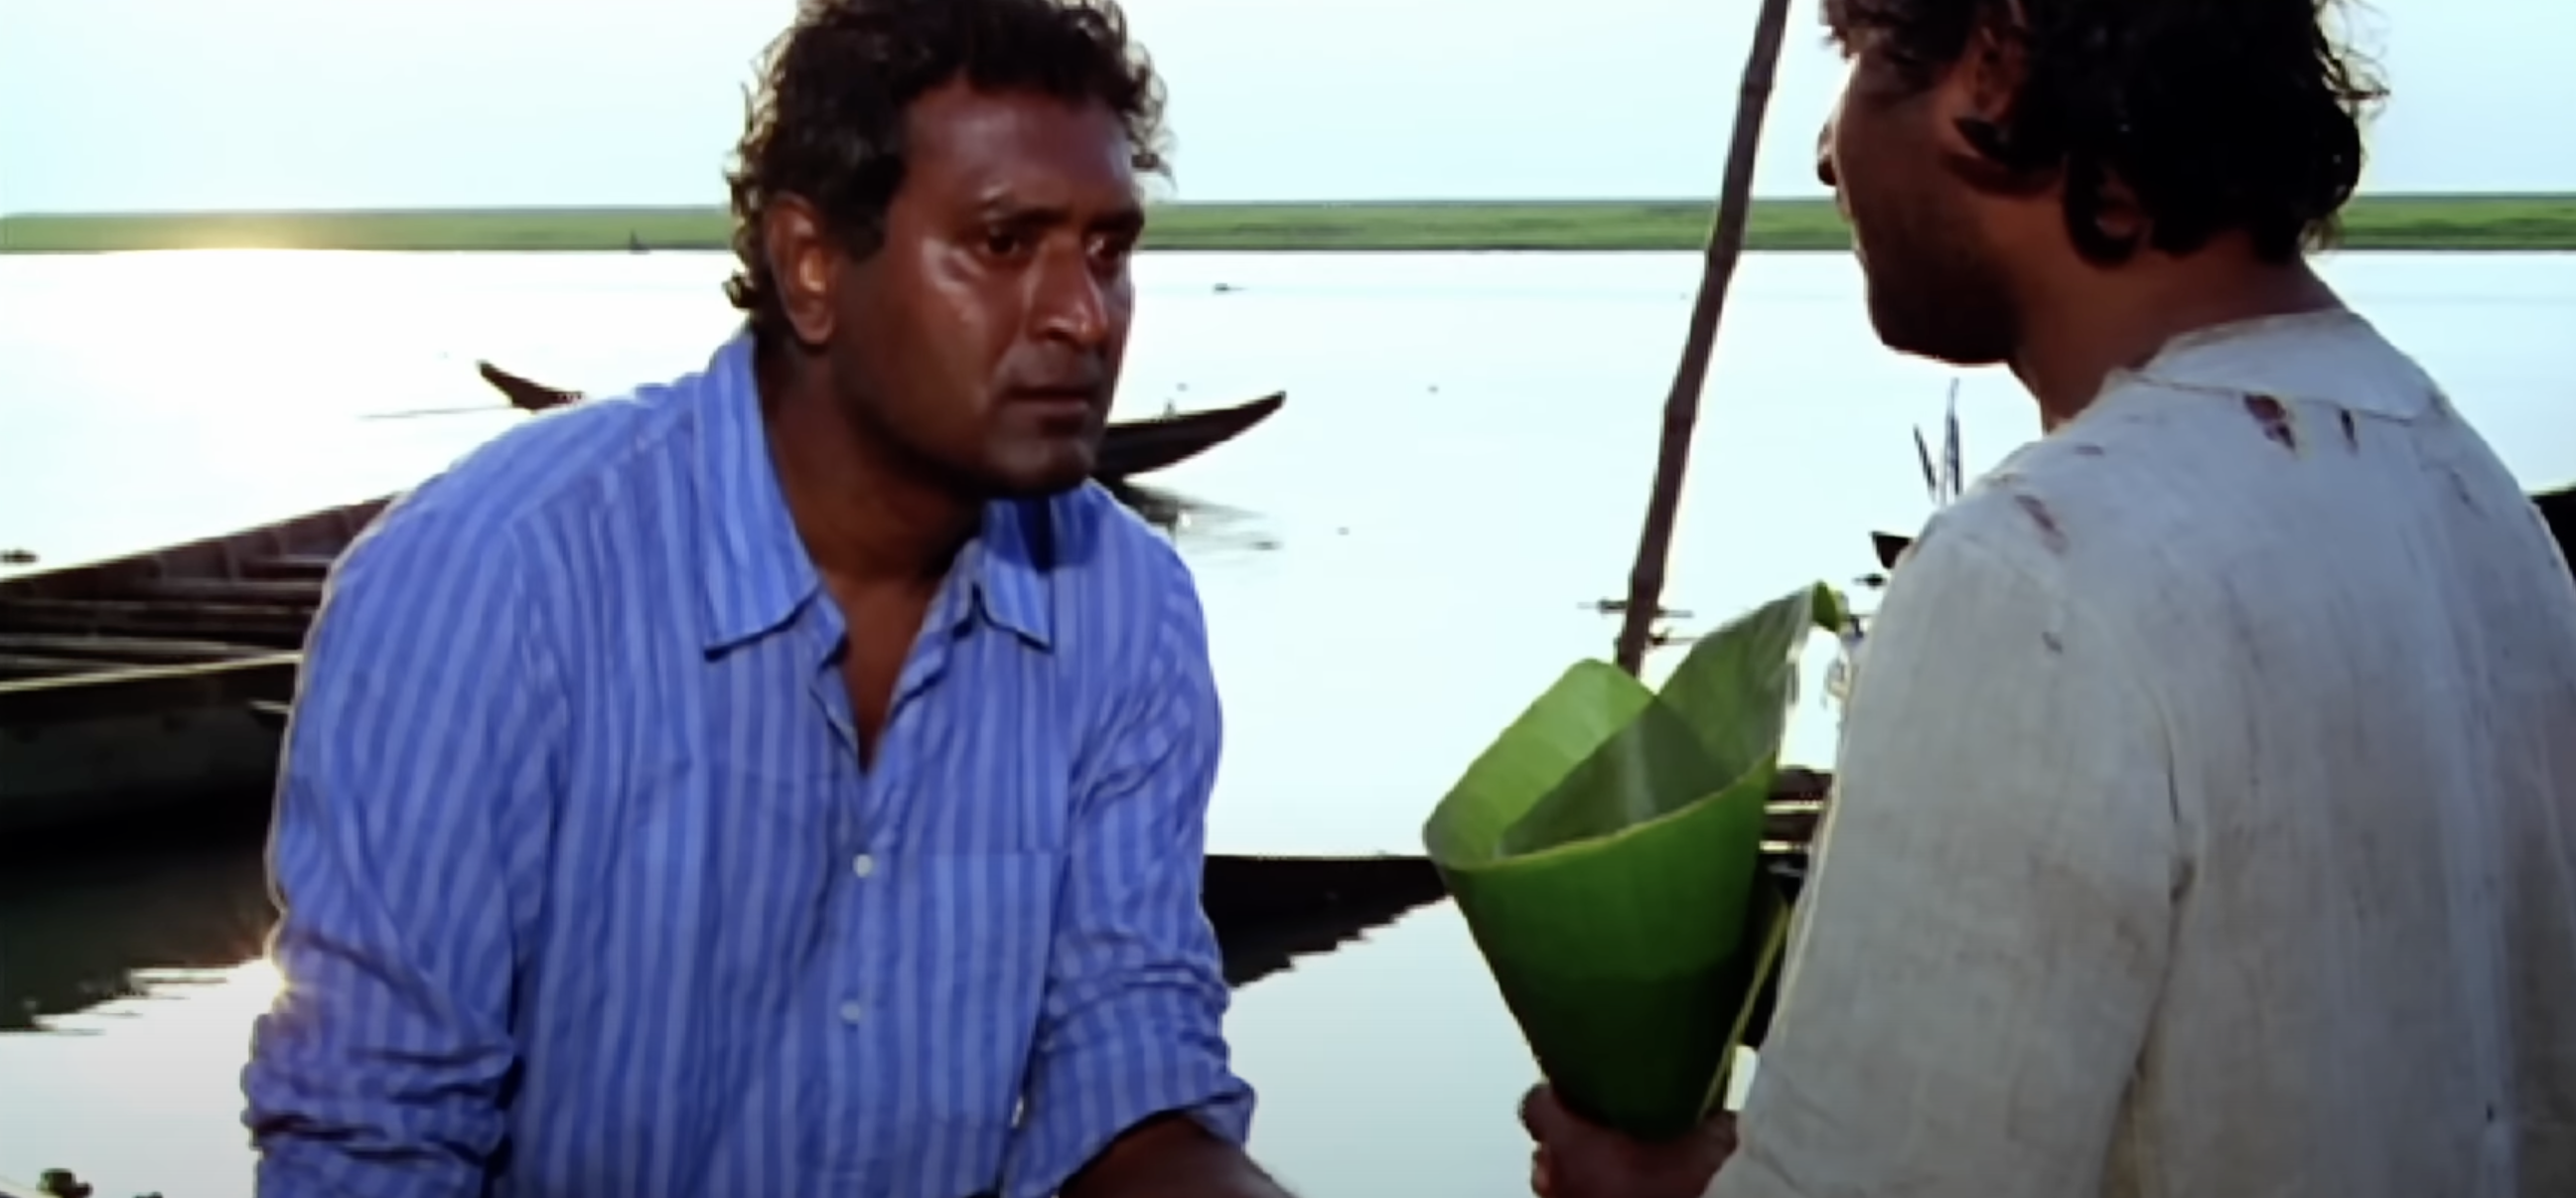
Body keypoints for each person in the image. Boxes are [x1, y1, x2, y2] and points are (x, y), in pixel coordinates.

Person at [1520, 0, 2576, 1195]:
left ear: (1994, 63)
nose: (1824, 155)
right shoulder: (2476, 504)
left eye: (1855, 56)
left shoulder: (2030, 580)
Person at [239, 2, 1293, 1196]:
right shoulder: (490, 589)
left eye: (1107, 251)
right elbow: (373, 1143)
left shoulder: (1127, 612)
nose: (1084, 316)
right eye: (1004, 244)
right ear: (810, 267)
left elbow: (1130, 1083)